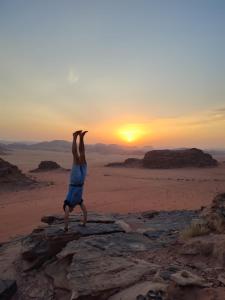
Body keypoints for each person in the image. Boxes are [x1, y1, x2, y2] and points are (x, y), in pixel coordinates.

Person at [63, 130, 88, 231]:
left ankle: (74, 137)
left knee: (76, 157)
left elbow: (67, 214)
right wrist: (84, 223)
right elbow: (85, 211)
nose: (70, 211)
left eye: (70, 210)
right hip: (81, 180)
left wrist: (66, 227)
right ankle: (81, 137)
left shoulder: (67, 203)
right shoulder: (79, 201)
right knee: (82, 155)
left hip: (75, 180)